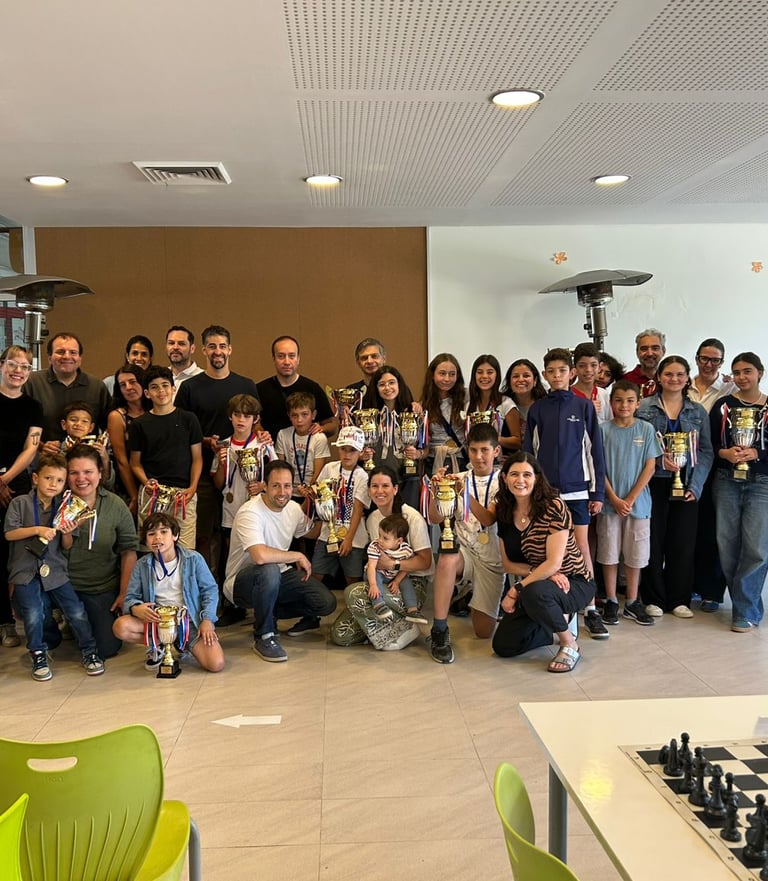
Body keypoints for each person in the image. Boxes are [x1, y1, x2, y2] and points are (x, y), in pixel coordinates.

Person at [523, 347, 608, 639]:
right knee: (545, 548)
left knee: (582, 547)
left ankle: (591, 609)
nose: (557, 375)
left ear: (571, 373)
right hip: (546, 494)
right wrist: (530, 491)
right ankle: (549, 605)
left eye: (562, 370)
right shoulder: (538, 410)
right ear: (544, 375)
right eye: (551, 371)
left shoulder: (583, 407)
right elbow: (529, 454)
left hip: (577, 491)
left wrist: (597, 493)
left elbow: (595, 452)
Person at [174, 325, 264, 589]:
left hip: (242, 475)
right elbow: (181, 430)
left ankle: (234, 588)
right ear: (203, 350)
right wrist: (206, 441)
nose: (217, 351)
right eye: (212, 346)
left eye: (222, 346)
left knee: (238, 532)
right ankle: (207, 586)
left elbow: (257, 423)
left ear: (230, 349)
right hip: (202, 471)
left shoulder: (245, 384)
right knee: (204, 533)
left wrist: (263, 436)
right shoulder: (189, 387)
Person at [492, 453, 598, 673]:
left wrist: (516, 589)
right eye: (514, 474)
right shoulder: (504, 510)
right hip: (541, 583)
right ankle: (555, 620)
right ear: (504, 478)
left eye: (527, 475)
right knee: (504, 645)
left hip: (574, 581)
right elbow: (508, 564)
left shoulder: (554, 506)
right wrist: (543, 574)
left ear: (537, 478)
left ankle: (569, 643)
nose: (520, 480)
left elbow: (555, 563)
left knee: (534, 592)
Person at [223, 459, 337, 662]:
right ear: (265, 486)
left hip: (279, 575)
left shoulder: (292, 508)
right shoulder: (250, 512)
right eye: (276, 486)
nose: (282, 492)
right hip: (241, 584)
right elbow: (259, 556)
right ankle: (264, 636)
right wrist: (297, 555)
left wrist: (326, 511)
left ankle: (269, 612)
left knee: (326, 602)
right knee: (269, 569)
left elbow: (311, 532)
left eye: (287, 486)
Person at [4, 452, 105, 680]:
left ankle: (89, 651)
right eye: (48, 478)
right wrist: (38, 530)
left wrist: (67, 532)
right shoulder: (20, 503)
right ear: (35, 478)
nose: (53, 484)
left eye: (59, 480)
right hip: (24, 571)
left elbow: (67, 545)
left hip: (56, 571)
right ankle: (38, 653)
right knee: (33, 614)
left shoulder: (65, 507)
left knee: (76, 610)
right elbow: (9, 533)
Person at [637, 355, 713, 617]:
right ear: (659, 377)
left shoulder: (698, 412)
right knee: (653, 542)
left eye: (680, 374)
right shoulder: (643, 408)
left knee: (682, 542)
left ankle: (680, 599)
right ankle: (654, 599)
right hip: (652, 484)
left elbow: (706, 452)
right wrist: (659, 462)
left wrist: (696, 486)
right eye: (668, 374)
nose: (674, 379)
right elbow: (637, 446)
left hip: (687, 484)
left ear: (687, 378)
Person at [330, 465, 433, 651]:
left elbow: (425, 562)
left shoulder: (412, 517)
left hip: (410, 584)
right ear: (369, 490)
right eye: (374, 486)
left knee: (353, 593)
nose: (379, 491)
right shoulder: (372, 519)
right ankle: (397, 626)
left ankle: (406, 628)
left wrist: (394, 564)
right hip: (381, 581)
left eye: (385, 486)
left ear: (395, 489)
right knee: (341, 635)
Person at [428, 423, 505, 663]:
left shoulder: (504, 480)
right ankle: (439, 630)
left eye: (484, 450)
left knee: (483, 632)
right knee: (447, 557)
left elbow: (489, 519)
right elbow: (434, 518)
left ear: (496, 451)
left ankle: (466, 595)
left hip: (492, 559)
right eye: (473, 450)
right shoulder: (458, 478)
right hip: (465, 552)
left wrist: (464, 494)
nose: (479, 456)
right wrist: (436, 492)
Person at [114, 512, 224, 672]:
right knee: (120, 626)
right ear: (146, 541)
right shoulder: (141, 565)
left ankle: (183, 643)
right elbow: (131, 597)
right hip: (157, 621)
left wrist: (207, 620)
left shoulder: (193, 559)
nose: (157, 538)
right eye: (151, 534)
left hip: (189, 622)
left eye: (164, 532)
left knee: (216, 664)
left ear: (175, 535)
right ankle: (159, 646)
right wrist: (136, 608)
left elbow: (210, 590)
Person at [709, 352, 768, 632]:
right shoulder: (723, 406)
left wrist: (757, 453)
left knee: (756, 547)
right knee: (727, 544)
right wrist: (725, 453)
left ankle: (745, 610)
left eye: (747, 371)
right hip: (726, 480)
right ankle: (744, 603)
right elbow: (709, 444)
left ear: (760, 373)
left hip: (762, 483)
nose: (742, 377)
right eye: (737, 372)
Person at [596, 381, 661, 626]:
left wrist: (631, 498)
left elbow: (650, 466)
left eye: (630, 400)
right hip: (609, 504)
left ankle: (632, 601)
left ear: (638, 403)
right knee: (609, 552)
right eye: (619, 400)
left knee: (636, 554)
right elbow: (598, 467)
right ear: (611, 403)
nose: (624, 405)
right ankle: (612, 599)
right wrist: (614, 498)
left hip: (638, 505)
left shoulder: (646, 429)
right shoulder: (602, 430)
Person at [64, 444, 138, 658]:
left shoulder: (116, 505)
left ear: (100, 473)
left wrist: (124, 594)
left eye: (88, 472)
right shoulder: (57, 503)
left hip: (100, 587)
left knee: (106, 648)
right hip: (61, 585)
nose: (81, 479)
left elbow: (129, 551)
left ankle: (79, 620)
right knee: (29, 608)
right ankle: (63, 620)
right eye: (74, 473)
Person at [128, 366, 203, 549]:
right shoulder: (139, 424)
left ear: (173, 388)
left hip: (183, 494)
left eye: (165, 385)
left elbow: (197, 458)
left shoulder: (189, 419)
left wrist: (193, 487)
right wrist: (146, 482)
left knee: (185, 549)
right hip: (152, 494)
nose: (161, 391)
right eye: (154, 387)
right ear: (147, 393)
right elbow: (135, 463)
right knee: (152, 548)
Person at [0, 345, 43, 648]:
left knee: (17, 553)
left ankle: (22, 619)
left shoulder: (33, 406)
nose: (18, 371)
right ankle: (4, 620)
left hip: (18, 484)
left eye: (25, 367)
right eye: (12, 364)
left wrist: (4, 480)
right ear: (1, 365)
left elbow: (31, 447)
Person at [689, 338, 735, 612]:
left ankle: (712, 591)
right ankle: (690, 584)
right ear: (696, 358)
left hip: (716, 464)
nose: (708, 364)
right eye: (704, 358)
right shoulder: (685, 385)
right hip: (684, 465)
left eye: (715, 360)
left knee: (712, 529)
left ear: (721, 362)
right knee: (689, 528)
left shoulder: (730, 388)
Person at [308, 426, 370, 598]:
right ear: (338, 449)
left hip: (354, 537)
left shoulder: (362, 476)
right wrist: (310, 493)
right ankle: (312, 608)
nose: (347, 454)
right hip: (327, 533)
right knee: (316, 573)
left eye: (352, 450)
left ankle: (355, 609)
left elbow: (358, 510)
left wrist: (348, 539)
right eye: (343, 449)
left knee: (353, 579)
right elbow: (319, 495)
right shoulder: (329, 468)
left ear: (360, 452)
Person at [26, 332, 111, 447]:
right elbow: (20, 425)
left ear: (80, 358)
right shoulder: (31, 383)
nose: (66, 356)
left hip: (85, 456)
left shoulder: (96, 386)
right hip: (40, 455)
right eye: (60, 352)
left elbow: (109, 426)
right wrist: (40, 446)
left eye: (73, 352)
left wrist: (100, 447)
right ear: (49, 357)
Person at [256, 336, 337, 440]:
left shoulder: (312, 388)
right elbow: (253, 423)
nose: (287, 362)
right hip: (271, 449)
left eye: (291, 356)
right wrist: (260, 433)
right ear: (274, 359)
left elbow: (332, 425)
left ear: (298, 359)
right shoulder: (260, 389)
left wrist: (321, 428)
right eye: (281, 356)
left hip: (306, 449)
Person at [361, 365, 420, 506]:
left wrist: (417, 454)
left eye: (392, 383)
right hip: (377, 480)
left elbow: (426, 448)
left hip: (406, 478)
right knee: (377, 518)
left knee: (406, 517)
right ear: (376, 388)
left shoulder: (412, 413)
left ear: (399, 385)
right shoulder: (367, 416)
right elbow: (354, 448)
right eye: (382, 384)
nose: (387, 388)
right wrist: (361, 456)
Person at [365, 514, 425, 624]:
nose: (380, 540)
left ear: (399, 541)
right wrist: (373, 584)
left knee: (406, 582)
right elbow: (371, 567)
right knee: (376, 578)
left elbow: (406, 568)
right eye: (379, 535)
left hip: (394, 574)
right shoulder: (375, 546)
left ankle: (412, 610)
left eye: (385, 538)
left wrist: (397, 581)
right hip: (377, 572)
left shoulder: (406, 550)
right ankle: (378, 604)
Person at [107, 364, 150, 514]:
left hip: (156, 478)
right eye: (122, 385)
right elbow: (122, 461)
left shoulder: (156, 410)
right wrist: (134, 495)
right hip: (129, 482)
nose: (128, 387)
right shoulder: (117, 417)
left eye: (132, 382)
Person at [275, 392, 331, 502]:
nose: (299, 420)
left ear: (313, 415)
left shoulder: (319, 438)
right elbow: (280, 466)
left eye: (304, 414)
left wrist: (309, 490)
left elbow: (319, 471)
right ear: (289, 415)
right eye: (294, 415)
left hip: (312, 491)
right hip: (288, 491)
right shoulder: (283, 434)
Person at [418, 353, 468, 473]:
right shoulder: (424, 404)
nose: (447, 379)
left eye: (452, 374)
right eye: (442, 373)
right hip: (434, 461)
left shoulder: (466, 397)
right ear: (432, 375)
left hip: (461, 459)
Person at [466, 354, 521, 451]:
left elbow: (518, 442)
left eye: (490, 372)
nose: (484, 376)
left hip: (498, 459)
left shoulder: (506, 404)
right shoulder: (469, 405)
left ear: (497, 375)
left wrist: (491, 439)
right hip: (474, 458)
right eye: (480, 372)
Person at [59, 401, 111, 481]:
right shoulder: (56, 449)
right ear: (64, 424)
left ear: (91, 427)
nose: (78, 424)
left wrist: (105, 458)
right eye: (73, 420)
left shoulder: (99, 449)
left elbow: (108, 482)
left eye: (84, 421)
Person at [500, 358, 547, 445]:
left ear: (535, 380)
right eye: (516, 376)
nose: (521, 380)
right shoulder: (503, 405)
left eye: (526, 376)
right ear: (509, 381)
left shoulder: (546, 404)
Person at [571, 342, 611, 424]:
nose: (588, 370)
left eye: (593, 365)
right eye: (582, 366)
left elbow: (610, 426)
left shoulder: (604, 395)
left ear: (599, 367)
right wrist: (585, 411)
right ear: (575, 368)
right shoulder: (567, 395)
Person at [623, 329, 666, 398]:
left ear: (663, 351)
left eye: (655, 348)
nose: (649, 353)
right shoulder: (625, 380)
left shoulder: (670, 380)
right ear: (637, 352)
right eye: (644, 349)